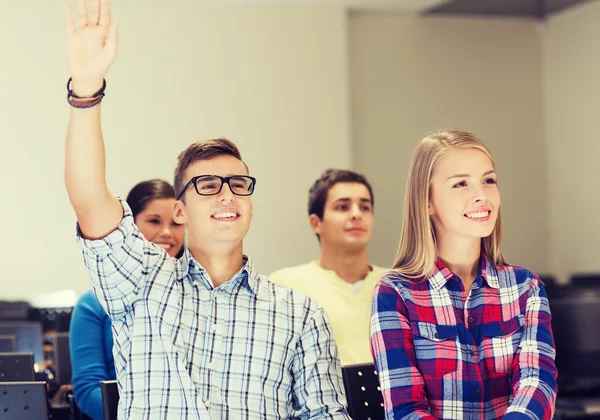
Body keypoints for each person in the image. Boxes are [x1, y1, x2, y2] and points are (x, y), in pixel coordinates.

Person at [63, 0, 350, 418]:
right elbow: (89, 198)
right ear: (180, 210)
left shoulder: (300, 313)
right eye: (208, 185)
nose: (227, 194)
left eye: (238, 185)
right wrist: (86, 88)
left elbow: (327, 414)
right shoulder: (143, 283)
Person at [370, 130, 557, 419]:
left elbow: (537, 384)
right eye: (461, 184)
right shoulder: (394, 294)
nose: (481, 195)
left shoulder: (527, 288)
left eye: (488, 180)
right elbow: (405, 410)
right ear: (427, 201)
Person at [70, 179, 184, 420]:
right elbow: (88, 388)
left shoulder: (198, 292)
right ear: (130, 225)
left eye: (176, 224)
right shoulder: (92, 304)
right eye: (154, 221)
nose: (166, 232)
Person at [270, 169, 386, 366]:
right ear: (316, 223)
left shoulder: (397, 284)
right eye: (342, 207)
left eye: (365, 207)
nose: (356, 214)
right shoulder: (284, 287)